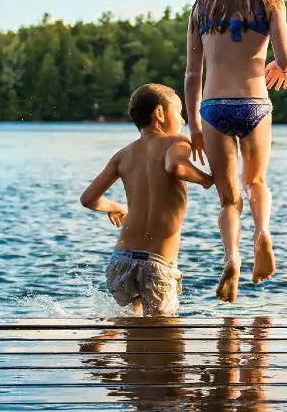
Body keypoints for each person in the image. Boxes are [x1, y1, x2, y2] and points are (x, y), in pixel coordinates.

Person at [184, 0, 287, 303]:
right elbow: (286, 58)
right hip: (254, 103)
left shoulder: (203, 4)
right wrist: (279, 67)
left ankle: (232, 257)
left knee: (228, 199)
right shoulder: (269, 0)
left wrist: (195, 127)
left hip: (213, 106)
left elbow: (191, 74)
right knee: (257, 181)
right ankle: (262, 233)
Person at [80, 84, 213, 316]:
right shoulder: (176, 142)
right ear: (159, 114)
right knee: (165, 340)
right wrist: (207, 179)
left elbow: (89, 199)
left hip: (120, 262)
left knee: (134, 329)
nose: (182, 120)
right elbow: (176, 166)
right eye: (179, 112)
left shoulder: (122, 155)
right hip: (157, 264)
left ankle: (107, 333)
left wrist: (116, 206)